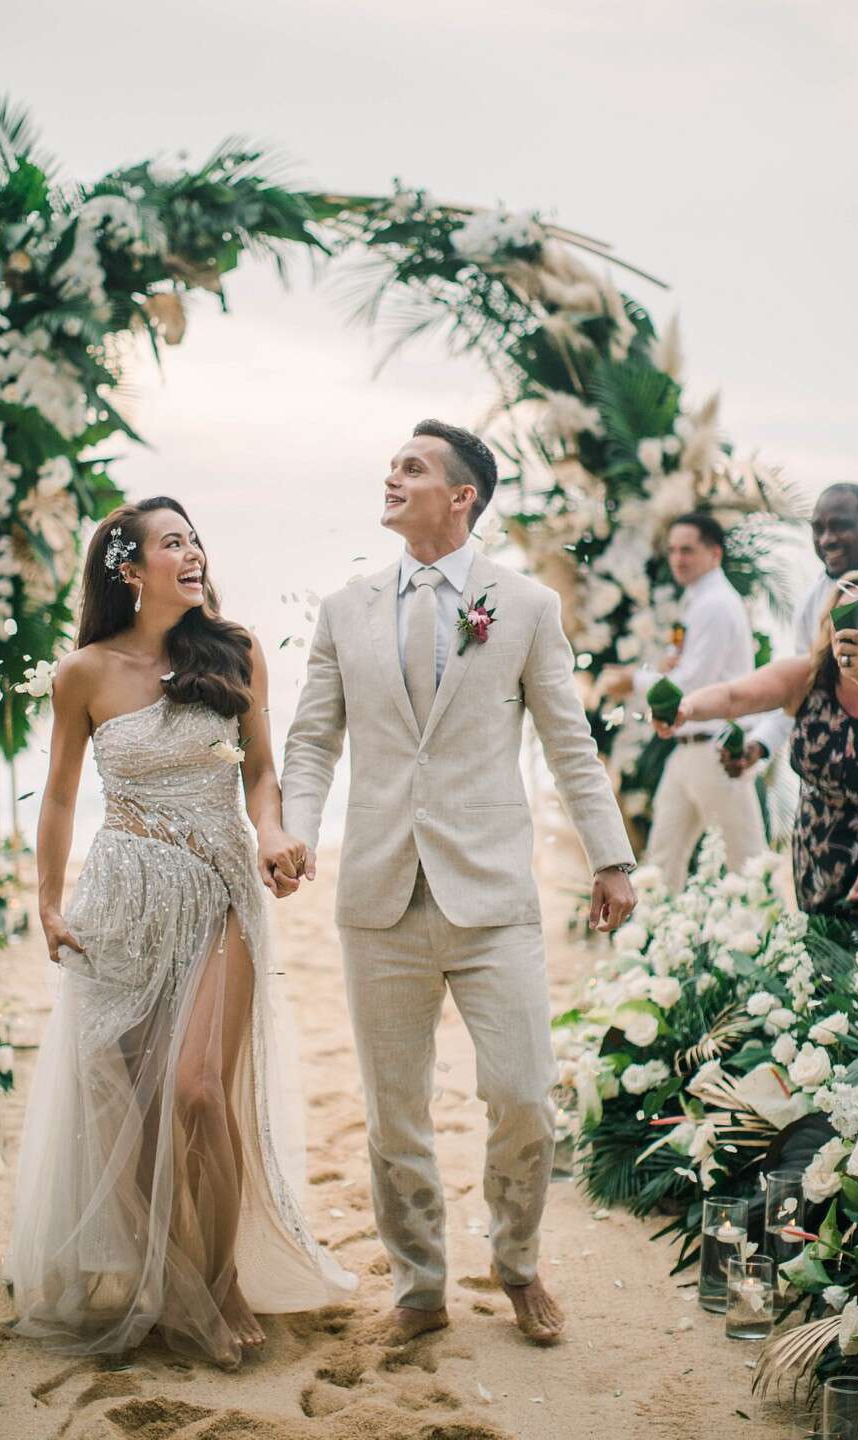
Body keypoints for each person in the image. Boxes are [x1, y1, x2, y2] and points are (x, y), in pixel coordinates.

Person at [281, 420, 636, 1349]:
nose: (390, 476)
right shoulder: (344, 608)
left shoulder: (522, 605)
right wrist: (293, 827)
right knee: (394, 1110)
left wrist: (611, 855)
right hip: (379, 892)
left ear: (462, 496)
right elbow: (314, 737)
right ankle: (420, 1283)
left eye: (412, 467)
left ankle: (517, 1265)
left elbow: (568, 740)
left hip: (492, 899)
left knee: (523, 1094)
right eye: (391, 461)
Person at [10, 497, 354, 1368]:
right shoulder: (82, 673)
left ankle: (222, 1276)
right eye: (173, 544)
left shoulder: (233, 651)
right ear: (129, 569)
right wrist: (48, 902)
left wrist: (273, 833)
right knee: (142, 1106)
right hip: (120, 899)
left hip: (219, 893)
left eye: (195, 539)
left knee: (200, 1088)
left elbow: (263, 772)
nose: (193, 553)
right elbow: (57, 795)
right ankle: (171, 1275)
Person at [651, 569, 858, 932]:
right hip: (816, 878)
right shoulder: (809, 677)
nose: (845, 627)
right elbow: (734, 696)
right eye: (839, 616)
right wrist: (686, 710)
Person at [599, 512, 766, 892]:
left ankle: (766, 946)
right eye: (672, 550)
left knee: (748, 865)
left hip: (718, 750)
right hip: (687, 750)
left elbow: (694, 683)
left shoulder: (716, 604)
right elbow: (688, 669)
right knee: (662, 860)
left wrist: (633, 679)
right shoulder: (698, 600)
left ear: (715, 554)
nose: (678, 559)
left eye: (688, 550)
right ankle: (653, 946)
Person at [727, 483, 858, 776]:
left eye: (840, 526)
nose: (826, 539)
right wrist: (761, 742)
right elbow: (806, 681)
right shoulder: (814, 601)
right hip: (831, 773)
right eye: (817, 529)